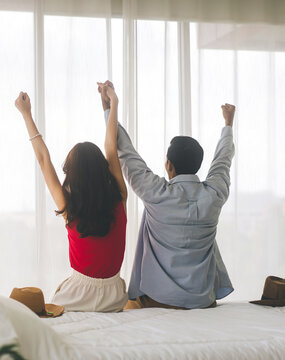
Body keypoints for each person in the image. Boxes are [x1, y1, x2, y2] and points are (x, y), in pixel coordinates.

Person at [97, 80, 236, 309]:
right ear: (198, 166)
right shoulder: (214, 195)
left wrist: (109, 108)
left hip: (159, 300)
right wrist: (228, 125)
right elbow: (223, 161)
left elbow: (125, 152)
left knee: (127, 306)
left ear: (168, 165)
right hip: (203, 299)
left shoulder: (156, 193)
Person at [14, 87, 128, 312]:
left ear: (72, 174)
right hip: (115, 295)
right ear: (102, 169)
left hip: (78, 294)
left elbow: (43, 159)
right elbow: (111, 149)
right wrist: (113, 103)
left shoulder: (70, 207)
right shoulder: (119, 197)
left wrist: (26, 114)